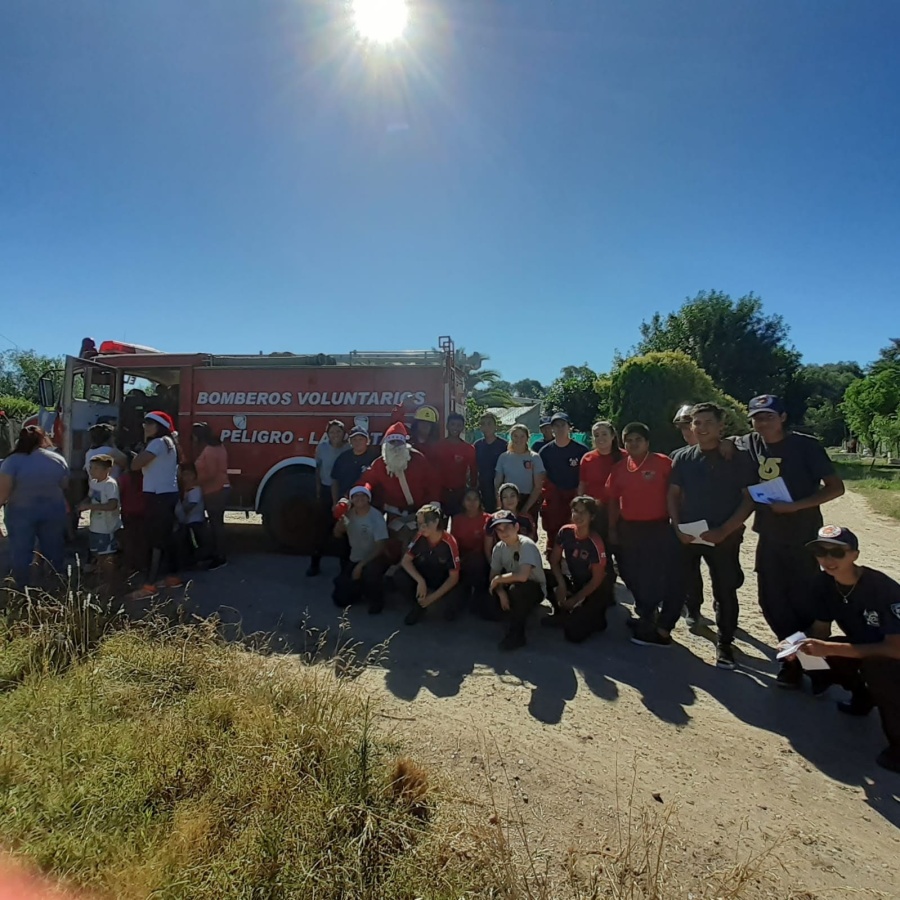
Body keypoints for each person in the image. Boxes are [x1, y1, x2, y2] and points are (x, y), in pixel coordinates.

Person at [736, 394, 845, 688]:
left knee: (803, 604)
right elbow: (723, 443)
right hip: (769, 535)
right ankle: (798, 661)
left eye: (768, 416)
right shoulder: (750, 443)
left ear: (782, 417)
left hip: (804, 536)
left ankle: (812, 668)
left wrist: (796, 506)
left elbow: (836, 488)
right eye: (757, 417)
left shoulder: (806, 445)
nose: (762, 422)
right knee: (771, 602)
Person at [794, 525, 900, 774]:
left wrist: (829, 648)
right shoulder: (823, 583)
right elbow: (821, 629)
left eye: (837, 553)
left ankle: (898, 747)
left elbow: (895, 649)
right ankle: (862, 697)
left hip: (892, 657)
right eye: (820, 552)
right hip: (865, 648)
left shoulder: (883, 589)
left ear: (855, 555)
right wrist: (801, 650)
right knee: (806, 652)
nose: (827, 560)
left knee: (877, 669)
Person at [668, 403, 756, 669]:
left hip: (724, 537)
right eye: (696, 423)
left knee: (725, 590)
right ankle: (692, 611)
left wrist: (724, 530)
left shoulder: (737, 457)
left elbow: (749, 499)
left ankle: (725, 642)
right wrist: (677, 527)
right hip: (689, 535)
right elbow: (672, 494)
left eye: (708, 422)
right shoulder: (682, 457)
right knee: (687, 578)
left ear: (721, 426)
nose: (701, 428)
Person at [606, 422, 681, 647]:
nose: (633, 443)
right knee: (629, 572)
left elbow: (677, 493)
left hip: (656, 528)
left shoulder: (663, 463)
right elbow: (611, 500)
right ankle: (644, 612)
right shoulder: (619, 468)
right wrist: (611, 528)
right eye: (628, 440)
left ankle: (650, 620)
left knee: (652, 574)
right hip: (628, 528)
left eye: (638, 439)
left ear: (647, 442)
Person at [0, 426, 68, 589]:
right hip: (53, 511)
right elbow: (64, 486)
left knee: (21, 552)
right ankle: (54, 588)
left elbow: (3, 492)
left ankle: (22, 589)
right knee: (54, 550)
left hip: (20, 512)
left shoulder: (12, 462)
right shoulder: (57, 459)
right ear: (42, 439)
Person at [359, 422, 440, 560]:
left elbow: (433, 482)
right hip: (394, 513)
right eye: (392, 442)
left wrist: (434, 505)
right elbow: (366, 481)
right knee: (395, 544)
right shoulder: (379, 464)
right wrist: (360, 493)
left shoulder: (418, 459)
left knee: (421, 543)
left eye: (399, 442)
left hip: (419, 512)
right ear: (386, 445)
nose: (396, 446)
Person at [128, 411, 181, 600]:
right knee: (166, 538)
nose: (145, 426)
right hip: (167, 494)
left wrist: (136, 452)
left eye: (149, 424)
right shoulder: (169, 442)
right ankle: (172, 577)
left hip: (157, 496)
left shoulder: (157, 443)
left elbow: (136, 465)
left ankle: (149, 585)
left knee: (155, 539)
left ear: (158, 426)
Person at [545, 496, 612, 643]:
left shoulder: (595, 542)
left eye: (583, 512)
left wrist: (576, 598)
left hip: (593, 589)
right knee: (545, 577)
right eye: (575, 511)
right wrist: (562, 585)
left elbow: (597, 579)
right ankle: (562, 612)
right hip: (574, 581)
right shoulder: (565, 532)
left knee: (574, 635)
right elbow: (554, 560)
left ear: (592, 516)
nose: (578, 516)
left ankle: (593, 618)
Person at [487, 509, 547, 650]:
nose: (504, 532)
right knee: (489, 599)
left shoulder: (526, 544)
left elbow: (522, 576)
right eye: (499, 529)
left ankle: (517, 635)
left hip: (533, 587)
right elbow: (492, 575)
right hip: (509, 583)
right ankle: (513, 614)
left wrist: (497, 580)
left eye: (507, 527)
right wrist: (500, 591)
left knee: (518, 590)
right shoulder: (498, 548)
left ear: (517, 527)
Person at [396, 503, 462, 626]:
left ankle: (432, 602)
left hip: (442, 577)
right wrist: (420, 581)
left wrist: (431, 599)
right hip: (426, 573)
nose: (422, 527)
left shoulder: (449, 542)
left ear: (436, 521)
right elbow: (405, 561)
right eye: (420, 524)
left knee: (454, 602)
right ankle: (418, 606)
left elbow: (453, 578)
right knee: (399, 576)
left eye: (426, 523)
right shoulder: (420, 537)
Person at [332, 484, 390, 613]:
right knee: (340, 598)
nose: (359, 499)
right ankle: (360, 590)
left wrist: (361, 565)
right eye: (355, 496)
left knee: (370, 573)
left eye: (363, 496)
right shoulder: (349, 515)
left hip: (374, 558)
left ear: (368, 498)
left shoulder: (376, 517)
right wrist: (340, 521)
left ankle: (377, 600)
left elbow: (381, 546)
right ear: (351, 499)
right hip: (355, 557)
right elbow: (337, 533)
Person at [538, 413, 589, 552]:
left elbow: (585, 477)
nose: (559, 428)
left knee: (576, 529)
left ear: (569, 428)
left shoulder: (581, 451)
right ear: (552, 429)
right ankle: (553, 557)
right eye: (556, 426)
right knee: (552, 530)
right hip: (554, 497)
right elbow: (542, 478)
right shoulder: (545, 452)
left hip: (575, 496)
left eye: (563, 425)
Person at [308, 420, 348, 577]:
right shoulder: (322, 448)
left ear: (344, 434)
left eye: (338, 432)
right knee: (321, 530)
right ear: (327, 434)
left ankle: (343, 567)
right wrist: (318, 491)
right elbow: (318, 470)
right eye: (332, 432)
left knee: (343, 531)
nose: (335, 435)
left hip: (343, 494)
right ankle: (314, 564)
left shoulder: (348, 449)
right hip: (326, 491)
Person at [191, 423, 229, 570]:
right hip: (221, 488)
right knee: (217, 524)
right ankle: (217, 554)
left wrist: (195, 482)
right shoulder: (219, 447)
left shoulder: (209, 450)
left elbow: (211, 473)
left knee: (216, 525)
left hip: (215, 490)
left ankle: (220, 557)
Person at [77, 454, 121, 580]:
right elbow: (90, 497)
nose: (91, 471)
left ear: (107, 470)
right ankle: (102, 580)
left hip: (107, 527)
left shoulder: (110, 485)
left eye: (95, 468)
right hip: (95, 525)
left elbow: (112, 505)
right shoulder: (94, 483)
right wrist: (83, 504)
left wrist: (90, 507)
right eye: (91, 468)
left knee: (107, 556)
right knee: (98, 555)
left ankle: (111, 582)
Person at [450, 487, 492, 612]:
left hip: (482, 562)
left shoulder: (488, 519)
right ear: (463, 502)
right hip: (463, 561)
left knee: (476, 560)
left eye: (475, 499)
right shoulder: (457, 519)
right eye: (468, 499)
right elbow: (454, 545)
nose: (472, 503)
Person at [494, 424, 545, 518]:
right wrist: (500, 503)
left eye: (522, 436)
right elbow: (497, 483)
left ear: (527, 438)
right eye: (515, 436)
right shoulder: (504, 457)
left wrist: (525, 509)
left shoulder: (534, 457)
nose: (519, 439)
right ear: (511, 437)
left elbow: (538, 486)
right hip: (509, 499)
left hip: (529, 499)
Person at [433, 413, 477, 517]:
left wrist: (471, 491)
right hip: (441, 493)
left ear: (462, 427)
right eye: (452, 424)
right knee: (439, 524)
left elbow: (473, 472)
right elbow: (432, 471)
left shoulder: (469, 449)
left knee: (459, 523)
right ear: (447, 426)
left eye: (458, 425)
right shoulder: (438, 446)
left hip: (460, 493)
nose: (455, 428)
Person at [117, 451, 148, 577]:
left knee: (129, 541)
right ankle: (144, 565)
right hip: (143, 511)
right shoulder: (145, 476)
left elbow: (119, 494)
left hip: (128, 512)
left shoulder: (123, 478)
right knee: (142, 539)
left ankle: (130, 566)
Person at [330, 427, 379, 503]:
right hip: (346, 501)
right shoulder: (342, 458)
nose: (357, 442)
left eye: (361, 439)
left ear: (367, 441)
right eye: (354, 439)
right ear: (350, 442)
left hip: (369, 501)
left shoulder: (375, 458)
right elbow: (335, 481)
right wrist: (335, 502)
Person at [174, 463, 208, 570]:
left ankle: (199, 561)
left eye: (189, 475)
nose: (186, 478)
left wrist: (180, 510)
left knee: (197, 543)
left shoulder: (195, 490)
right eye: (184, 475)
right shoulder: (187, 490)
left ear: (194, 476)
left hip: (195, 522)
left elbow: (191, 505)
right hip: (189, 522)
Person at [474, 412, 507, 513]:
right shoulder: (477, 445)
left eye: (489, 423)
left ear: (495, 426)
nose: (486, 427)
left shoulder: (504, 445)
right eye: (483, 424)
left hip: (500, 487)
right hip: (483, 487)